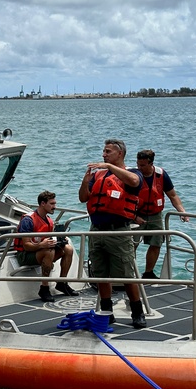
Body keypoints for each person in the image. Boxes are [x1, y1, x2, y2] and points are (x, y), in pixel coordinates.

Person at [78, 138, 146, 328]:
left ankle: (137, 312)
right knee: (100, 272)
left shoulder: (132, 173)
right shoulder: (99, 176)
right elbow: (83, 197)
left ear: (120, 154)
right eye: (104, 151)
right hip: (96, 231)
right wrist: (85, 183)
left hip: (118, 232)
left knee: (126, 273)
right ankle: (107, 311)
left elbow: (133, 181)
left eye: (108, 151)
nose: (103, 154)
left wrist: (108, 165)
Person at [133, 149, 189, 279]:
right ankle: (129, 274)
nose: (139, 167)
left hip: (155, 215)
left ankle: (148, 273)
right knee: (130, 245)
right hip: (135, 215)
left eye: (142, 165)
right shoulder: (133, 175)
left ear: (151, 163)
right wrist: (134, 217)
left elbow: (173, 195)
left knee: (156, 243)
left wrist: (182, 212)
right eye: (138, 164)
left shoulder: (161, 175)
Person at [15, 190, 77, 301]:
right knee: (49, 251)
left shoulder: (49, 220)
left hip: (40, 250)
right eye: (52, 204)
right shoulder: (28, 220)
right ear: (43, 204)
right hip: (25, 254)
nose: (55, 207)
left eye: (55, 203)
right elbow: (26, 246)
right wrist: (42, 245)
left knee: (68, 249)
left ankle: (62, 283)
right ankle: (44, 288)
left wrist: (60, 241)